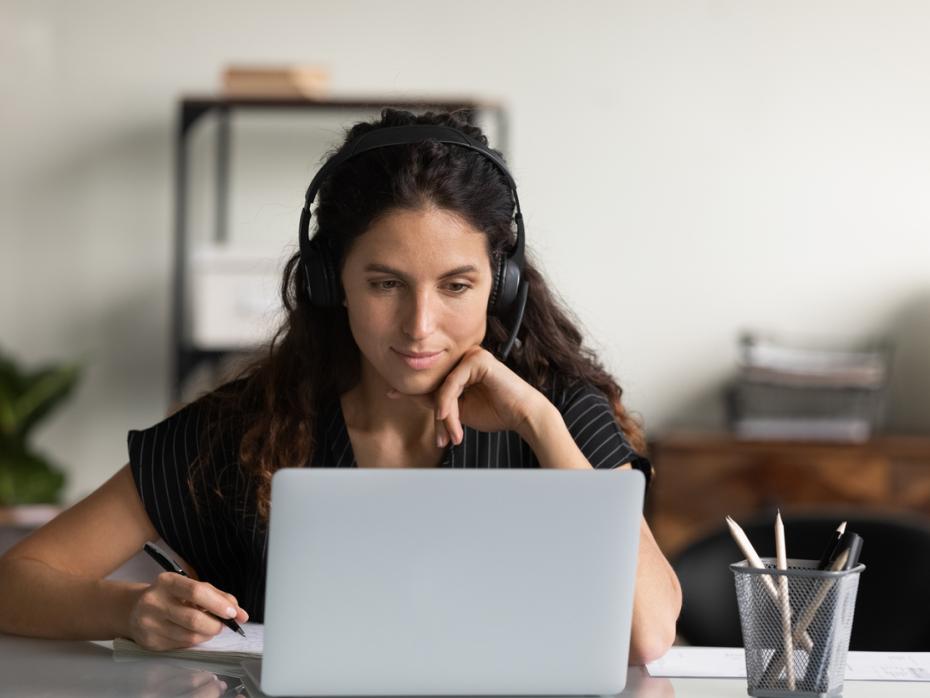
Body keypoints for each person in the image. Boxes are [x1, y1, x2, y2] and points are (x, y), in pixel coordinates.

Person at [0, 108, 681, 664]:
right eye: (385, 284)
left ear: (499, 284)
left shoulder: (555, 408)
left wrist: (539, 423)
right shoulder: (247, 426)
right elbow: (15, 582)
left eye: (456, 286)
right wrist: (127, 609)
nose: (420, 326)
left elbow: (648, 633)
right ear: (332, 284)